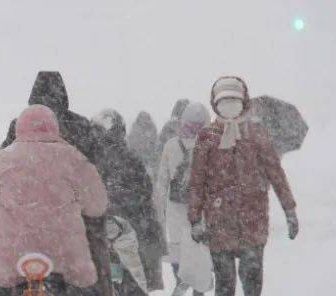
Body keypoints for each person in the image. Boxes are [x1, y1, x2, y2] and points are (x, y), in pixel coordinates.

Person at [0, 71, 112, 296]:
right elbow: (96, 173)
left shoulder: (19, 125)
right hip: (69, 215)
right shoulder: (79, 125)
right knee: (92, 253)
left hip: (19, 215)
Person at [188, 77, 299, 296]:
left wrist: (290, 209)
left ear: (243, 102)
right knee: (234, 283)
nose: (229, 106)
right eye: (224, 101)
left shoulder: (252, 134)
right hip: (231, 222)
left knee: (239, 283)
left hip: (243, 221)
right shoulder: (212, 136)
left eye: (234, 100)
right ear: (215, 103)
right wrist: (195, 218)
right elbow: (197, 181)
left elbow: (197, 182)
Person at [90, 109, 165, 294]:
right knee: (135, 281)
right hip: (130, 231)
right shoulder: (131, 158)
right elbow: (145, 193)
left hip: (99, 230)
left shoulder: (89, 159)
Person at [153, 102, 212, 296]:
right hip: (201, 210)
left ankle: (180, 284)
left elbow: (162, 182)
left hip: (175, 210)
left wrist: (158, 210)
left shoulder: (171, 145)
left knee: (178, 251)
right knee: (199, 254)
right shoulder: (210, 144)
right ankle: (197, 291)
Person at [106, 215, 148, 296]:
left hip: (124, 243)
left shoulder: (107, 222)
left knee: (135, 275)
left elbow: (112, 232)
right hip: (123, 244)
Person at [127, 111, 160, 181]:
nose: (145, 121)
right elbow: (132, 146)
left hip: (148, 162)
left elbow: (155, 146)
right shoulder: (135, 130)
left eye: (146, 119)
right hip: (140, 162)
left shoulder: (152, 130)